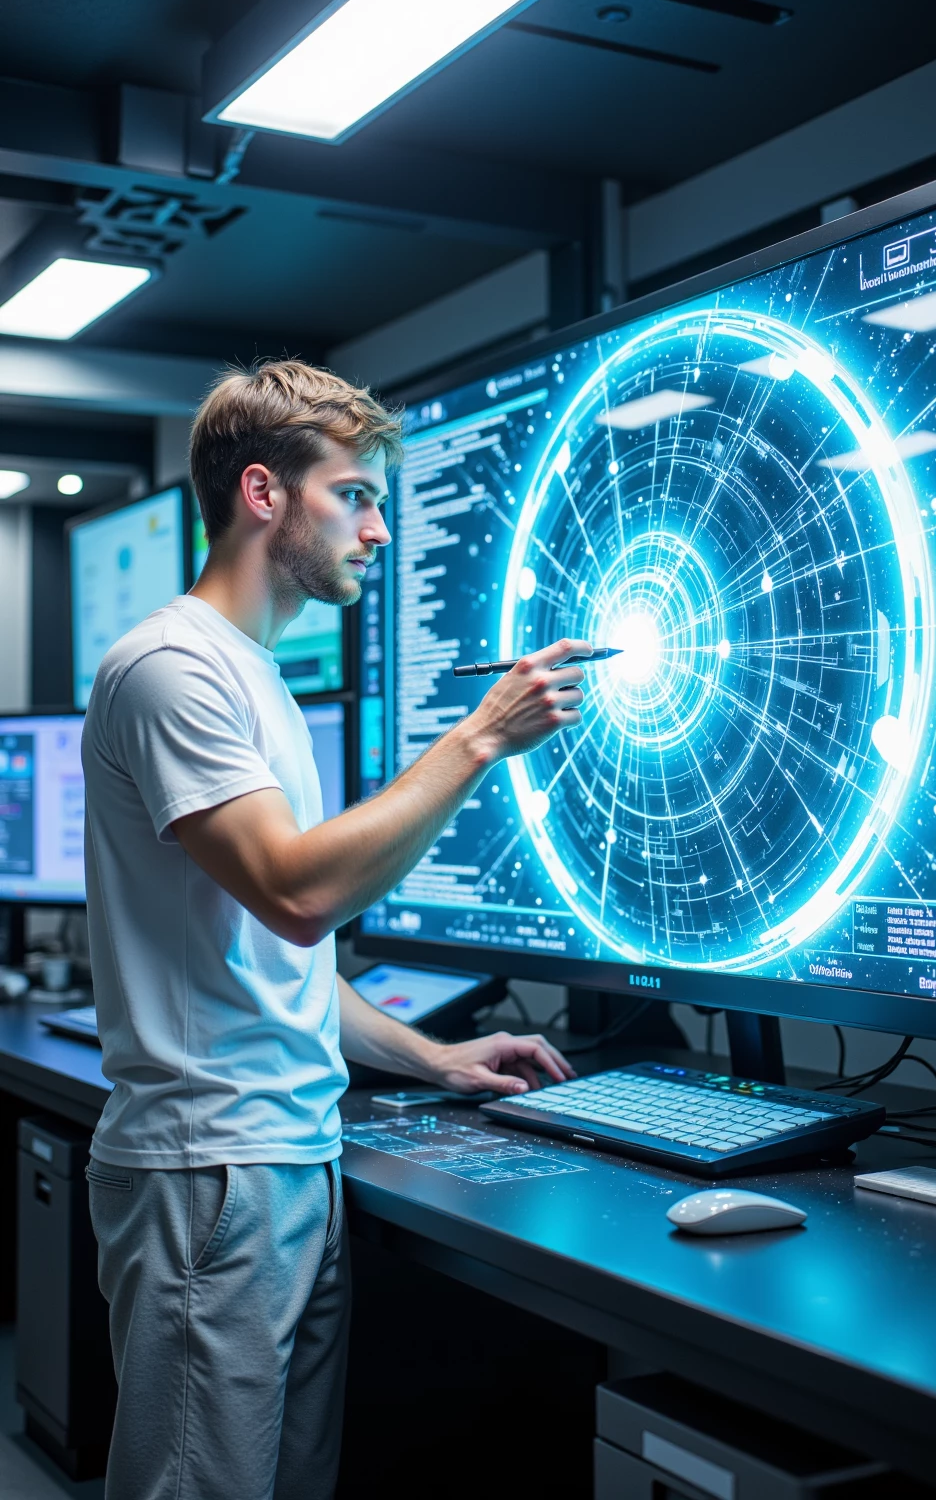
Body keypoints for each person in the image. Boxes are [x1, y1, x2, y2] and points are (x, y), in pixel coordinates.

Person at [81, 360, 590, 1500]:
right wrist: (476, 743)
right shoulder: (172, 670)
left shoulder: (253, 677)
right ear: (263, 493)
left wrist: (432, 1055)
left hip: (285, 1157)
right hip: (214, 1170)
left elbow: (276, 957)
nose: (377, 531)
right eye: (354, 496)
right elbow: (299, 895)